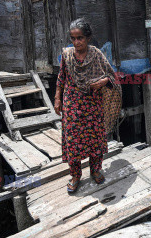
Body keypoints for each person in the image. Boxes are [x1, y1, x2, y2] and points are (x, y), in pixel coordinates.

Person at [54, 18, 122, 194]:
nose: (76, 42)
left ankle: (95, 170)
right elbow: (61, 77)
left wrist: (103, 82)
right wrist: (57, 98)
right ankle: (76, 175)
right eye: (73, 38)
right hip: (72, 104)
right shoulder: (67, 55)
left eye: (80, 38)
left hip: (92, 104)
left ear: (88, 38)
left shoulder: (97, 55)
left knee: (95, 138)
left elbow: (112, 77)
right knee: (73, 139)